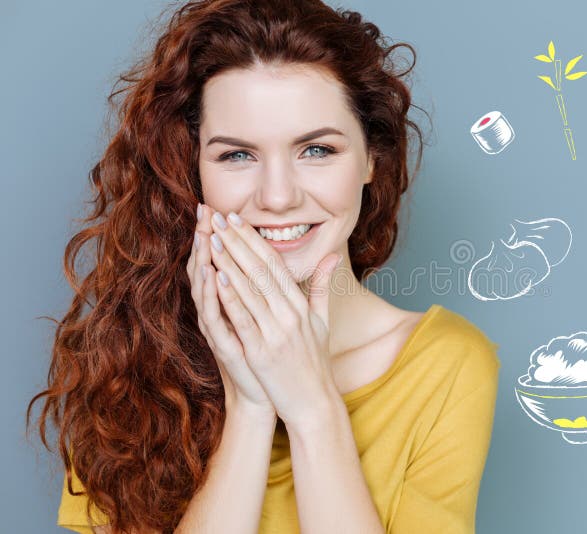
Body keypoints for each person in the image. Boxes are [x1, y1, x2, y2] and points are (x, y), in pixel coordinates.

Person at [26, 1, 501, 532]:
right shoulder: (125, 360)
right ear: (193, 170)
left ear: (372, 158)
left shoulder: (448, 363)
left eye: (317, 150)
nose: (277, 197)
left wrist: (314, 408)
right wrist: (249, 406)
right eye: (237, 156)